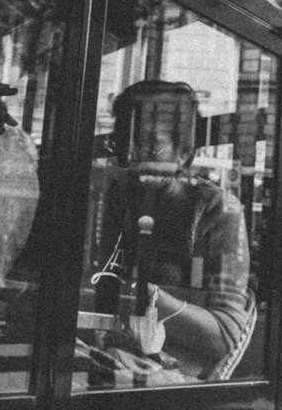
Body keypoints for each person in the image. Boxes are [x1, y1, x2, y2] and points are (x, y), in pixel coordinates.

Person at [85, 80, 255, 385]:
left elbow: (225, 334)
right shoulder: (109, 195)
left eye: (150, 145)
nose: (133, 157)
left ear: (183, 153)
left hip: (168, 385)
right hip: (99, 364)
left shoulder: (216, 210)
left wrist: (147, 298)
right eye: (125, 143)